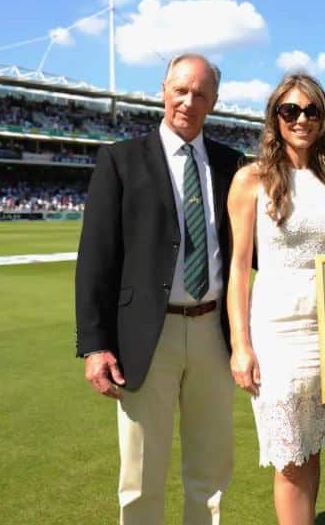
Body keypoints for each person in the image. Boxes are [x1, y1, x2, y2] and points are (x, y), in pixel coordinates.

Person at [75, 53, 243, 525]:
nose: (189, 101)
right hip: (147, 336)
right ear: (163, 90)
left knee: (210, 473)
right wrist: (94, 345)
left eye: (201, 94)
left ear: (214, 102)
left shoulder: (233, 165)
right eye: (181, 90)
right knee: (141, 475)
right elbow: (96, 258)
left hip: (214, 331)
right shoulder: (120, 160)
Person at [226, 73, 325, 525]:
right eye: (290, 111)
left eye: (311, 111)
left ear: (323, 118)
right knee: (289, 457)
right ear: (275, 118)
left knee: (312, 448)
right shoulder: (252, 179)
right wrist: (240, 346)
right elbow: (239, 269)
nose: (301, 119)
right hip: (277, 329)